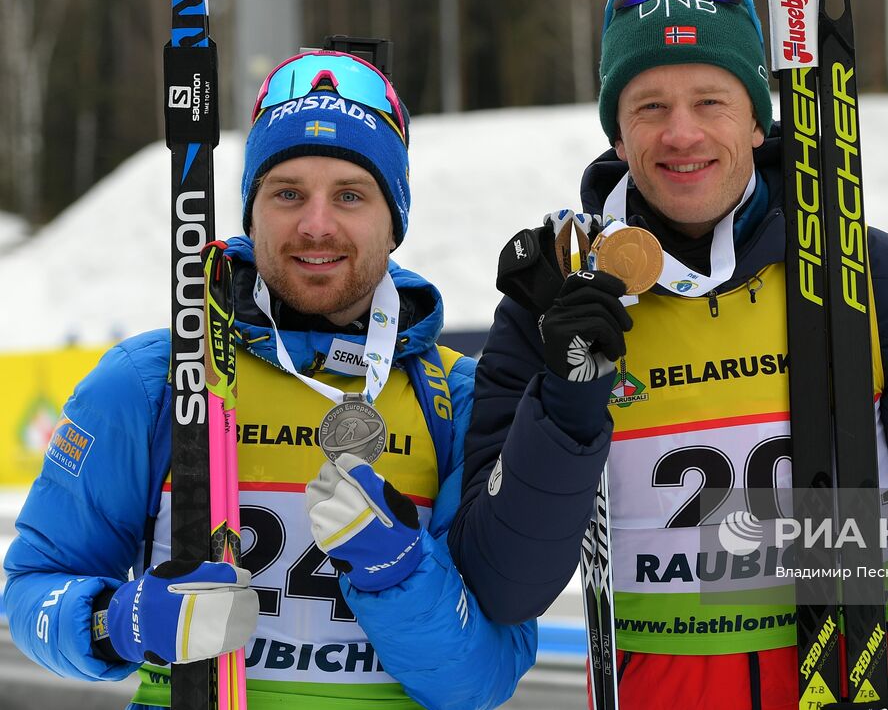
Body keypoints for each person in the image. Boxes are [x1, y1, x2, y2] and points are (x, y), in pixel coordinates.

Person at [449, 0, 888, 709]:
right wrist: (565, 407)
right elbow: (503, 583)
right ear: (618, 131)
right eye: (649, 105)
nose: (681, 133)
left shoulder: (883, 285)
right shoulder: (554, 305)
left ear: (756, 119)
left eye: (710, 100)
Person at [2, 50, 535, 709]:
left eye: (350, 194)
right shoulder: (151, 383)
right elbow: (32, 589)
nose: (317, 224)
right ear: (251, 213)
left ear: (394, 219)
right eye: (287, 193)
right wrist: (119, 621)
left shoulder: (457, 401)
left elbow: (482, 681)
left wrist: (399, 571)